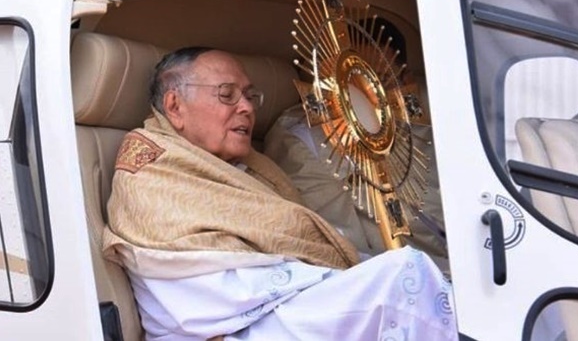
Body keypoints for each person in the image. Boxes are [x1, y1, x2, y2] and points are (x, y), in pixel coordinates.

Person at [102, 47, 457, 341]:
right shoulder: (152, 172)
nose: (246, 107)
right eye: (227, 95)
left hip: (269, 311)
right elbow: (210, 287)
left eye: (249, 96)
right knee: (401, 278)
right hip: (226, 326)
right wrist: (338, 278)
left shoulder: (249, 167)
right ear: (175, 106)